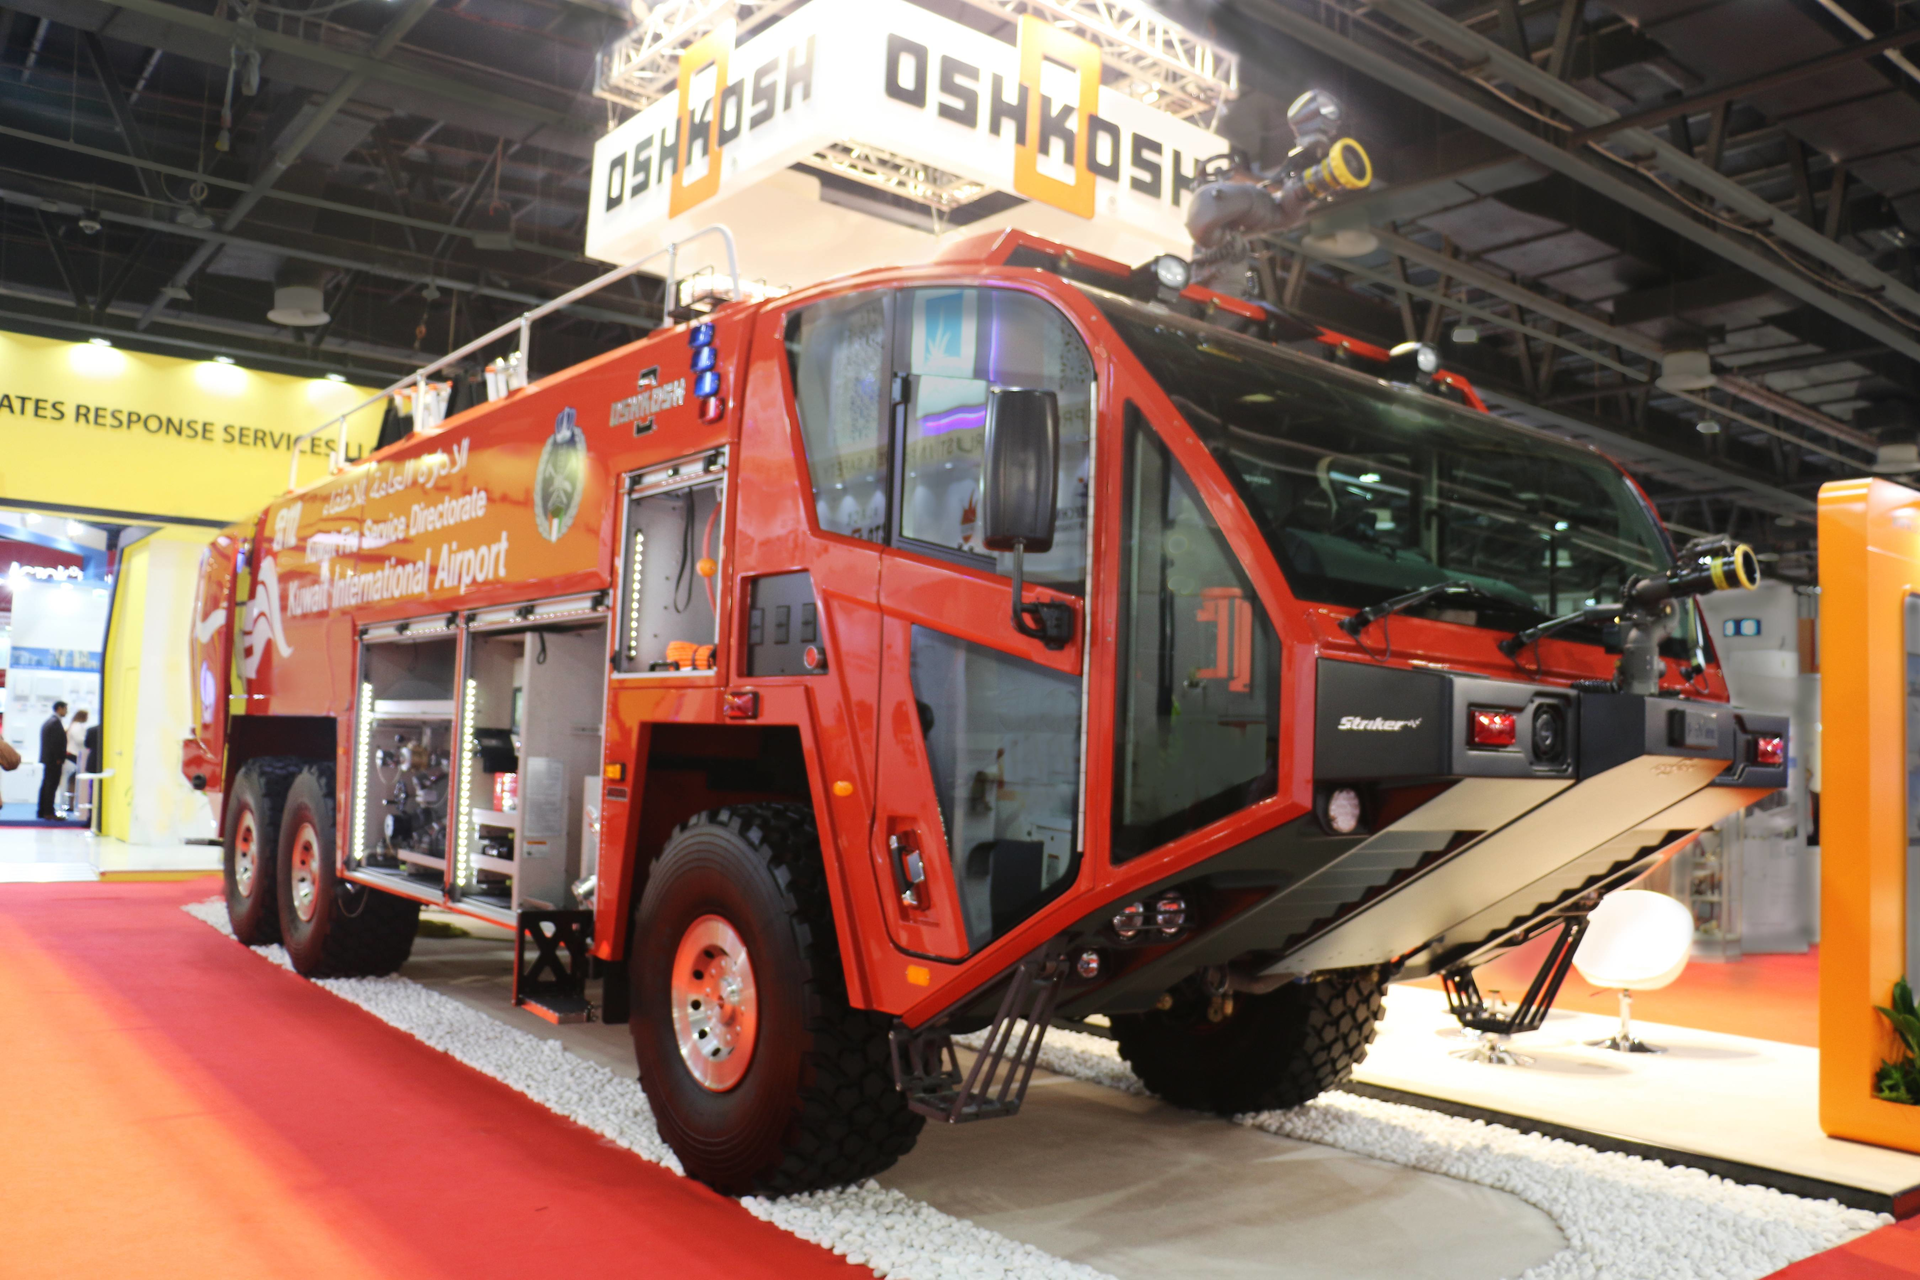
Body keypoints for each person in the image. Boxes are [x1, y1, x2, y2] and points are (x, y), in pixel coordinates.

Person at [36, 701, 67, 820]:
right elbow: (55, 743)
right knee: (51, 786)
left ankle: (43, 810)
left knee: (46, 785)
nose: (66, 712)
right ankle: (48, 812)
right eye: (65, 709)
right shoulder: (55, 723)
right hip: (54, 760)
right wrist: (58, 758)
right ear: (60, 708)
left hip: (49, 759)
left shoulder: (50, 722)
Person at [61, 709, 89, 815]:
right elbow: (79, 740)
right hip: (73, 756)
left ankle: (70, 804)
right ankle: (69, 804)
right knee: (71, 782)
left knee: (70, 782)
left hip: (72, 756)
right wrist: (88, 739)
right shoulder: (77, 726)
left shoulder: (73, 725)